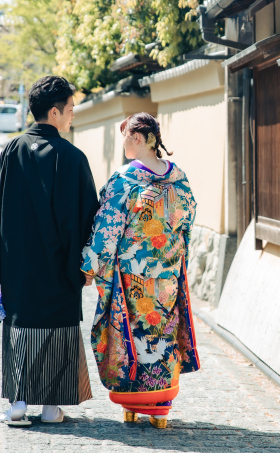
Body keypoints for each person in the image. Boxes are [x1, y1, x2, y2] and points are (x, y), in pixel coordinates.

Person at [0, 76, 99, 427]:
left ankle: (18, 405)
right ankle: (53, 407)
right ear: (54, 112)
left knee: (21, 326)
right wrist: (88, 264)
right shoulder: (74, 158)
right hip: (62, 265)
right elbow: (90, 217)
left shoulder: (12, 151)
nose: (72, 115)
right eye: (70, 109)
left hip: (20, 263)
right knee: (57, 327)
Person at [81, 112, 199, 430]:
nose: (123, 145)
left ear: (136, 138)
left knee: (135, 335)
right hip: (168, 274)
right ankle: (161, 407)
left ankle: (133, 404)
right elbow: (186, 222)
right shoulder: (179, 178)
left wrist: (90, 266)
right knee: (163, 332)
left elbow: (107, 228)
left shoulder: (125, 179)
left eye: (124, 137)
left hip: (133, 276)